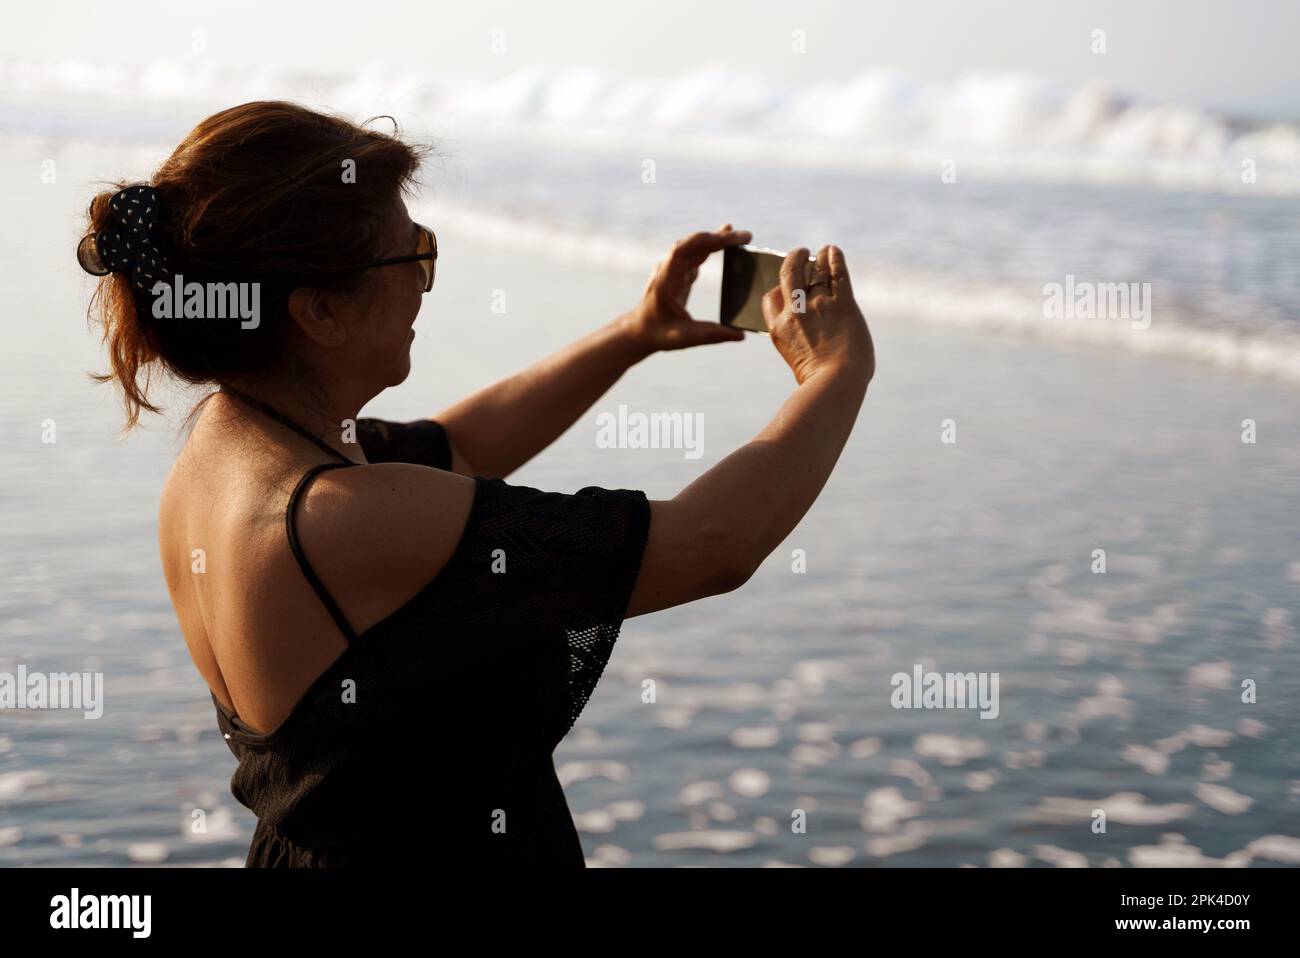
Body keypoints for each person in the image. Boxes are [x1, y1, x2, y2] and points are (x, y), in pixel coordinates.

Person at [77, 100, 875, 867]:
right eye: (413, 253)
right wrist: (833, 373)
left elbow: (456, 445)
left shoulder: (227, 453)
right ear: (320, 309)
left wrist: (634, 335)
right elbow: (711, 546)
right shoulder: (339, 520)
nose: (426, 280)